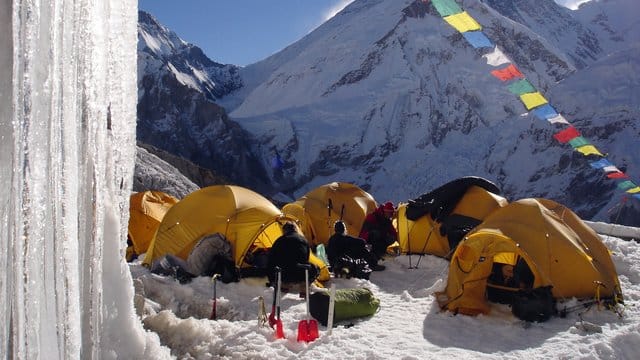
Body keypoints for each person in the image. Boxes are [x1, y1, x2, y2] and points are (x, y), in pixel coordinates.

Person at [267, 221, 318, 292]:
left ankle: (284, 286)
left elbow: (271, 260)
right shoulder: (304, 240)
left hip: (285, 274)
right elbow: (306, 258)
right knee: (315, 267)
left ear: (284, 230)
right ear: (295, 229)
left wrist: (271, 279)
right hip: (301, 273)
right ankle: (304, 287)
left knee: (282, 265)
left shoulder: (279, 241)